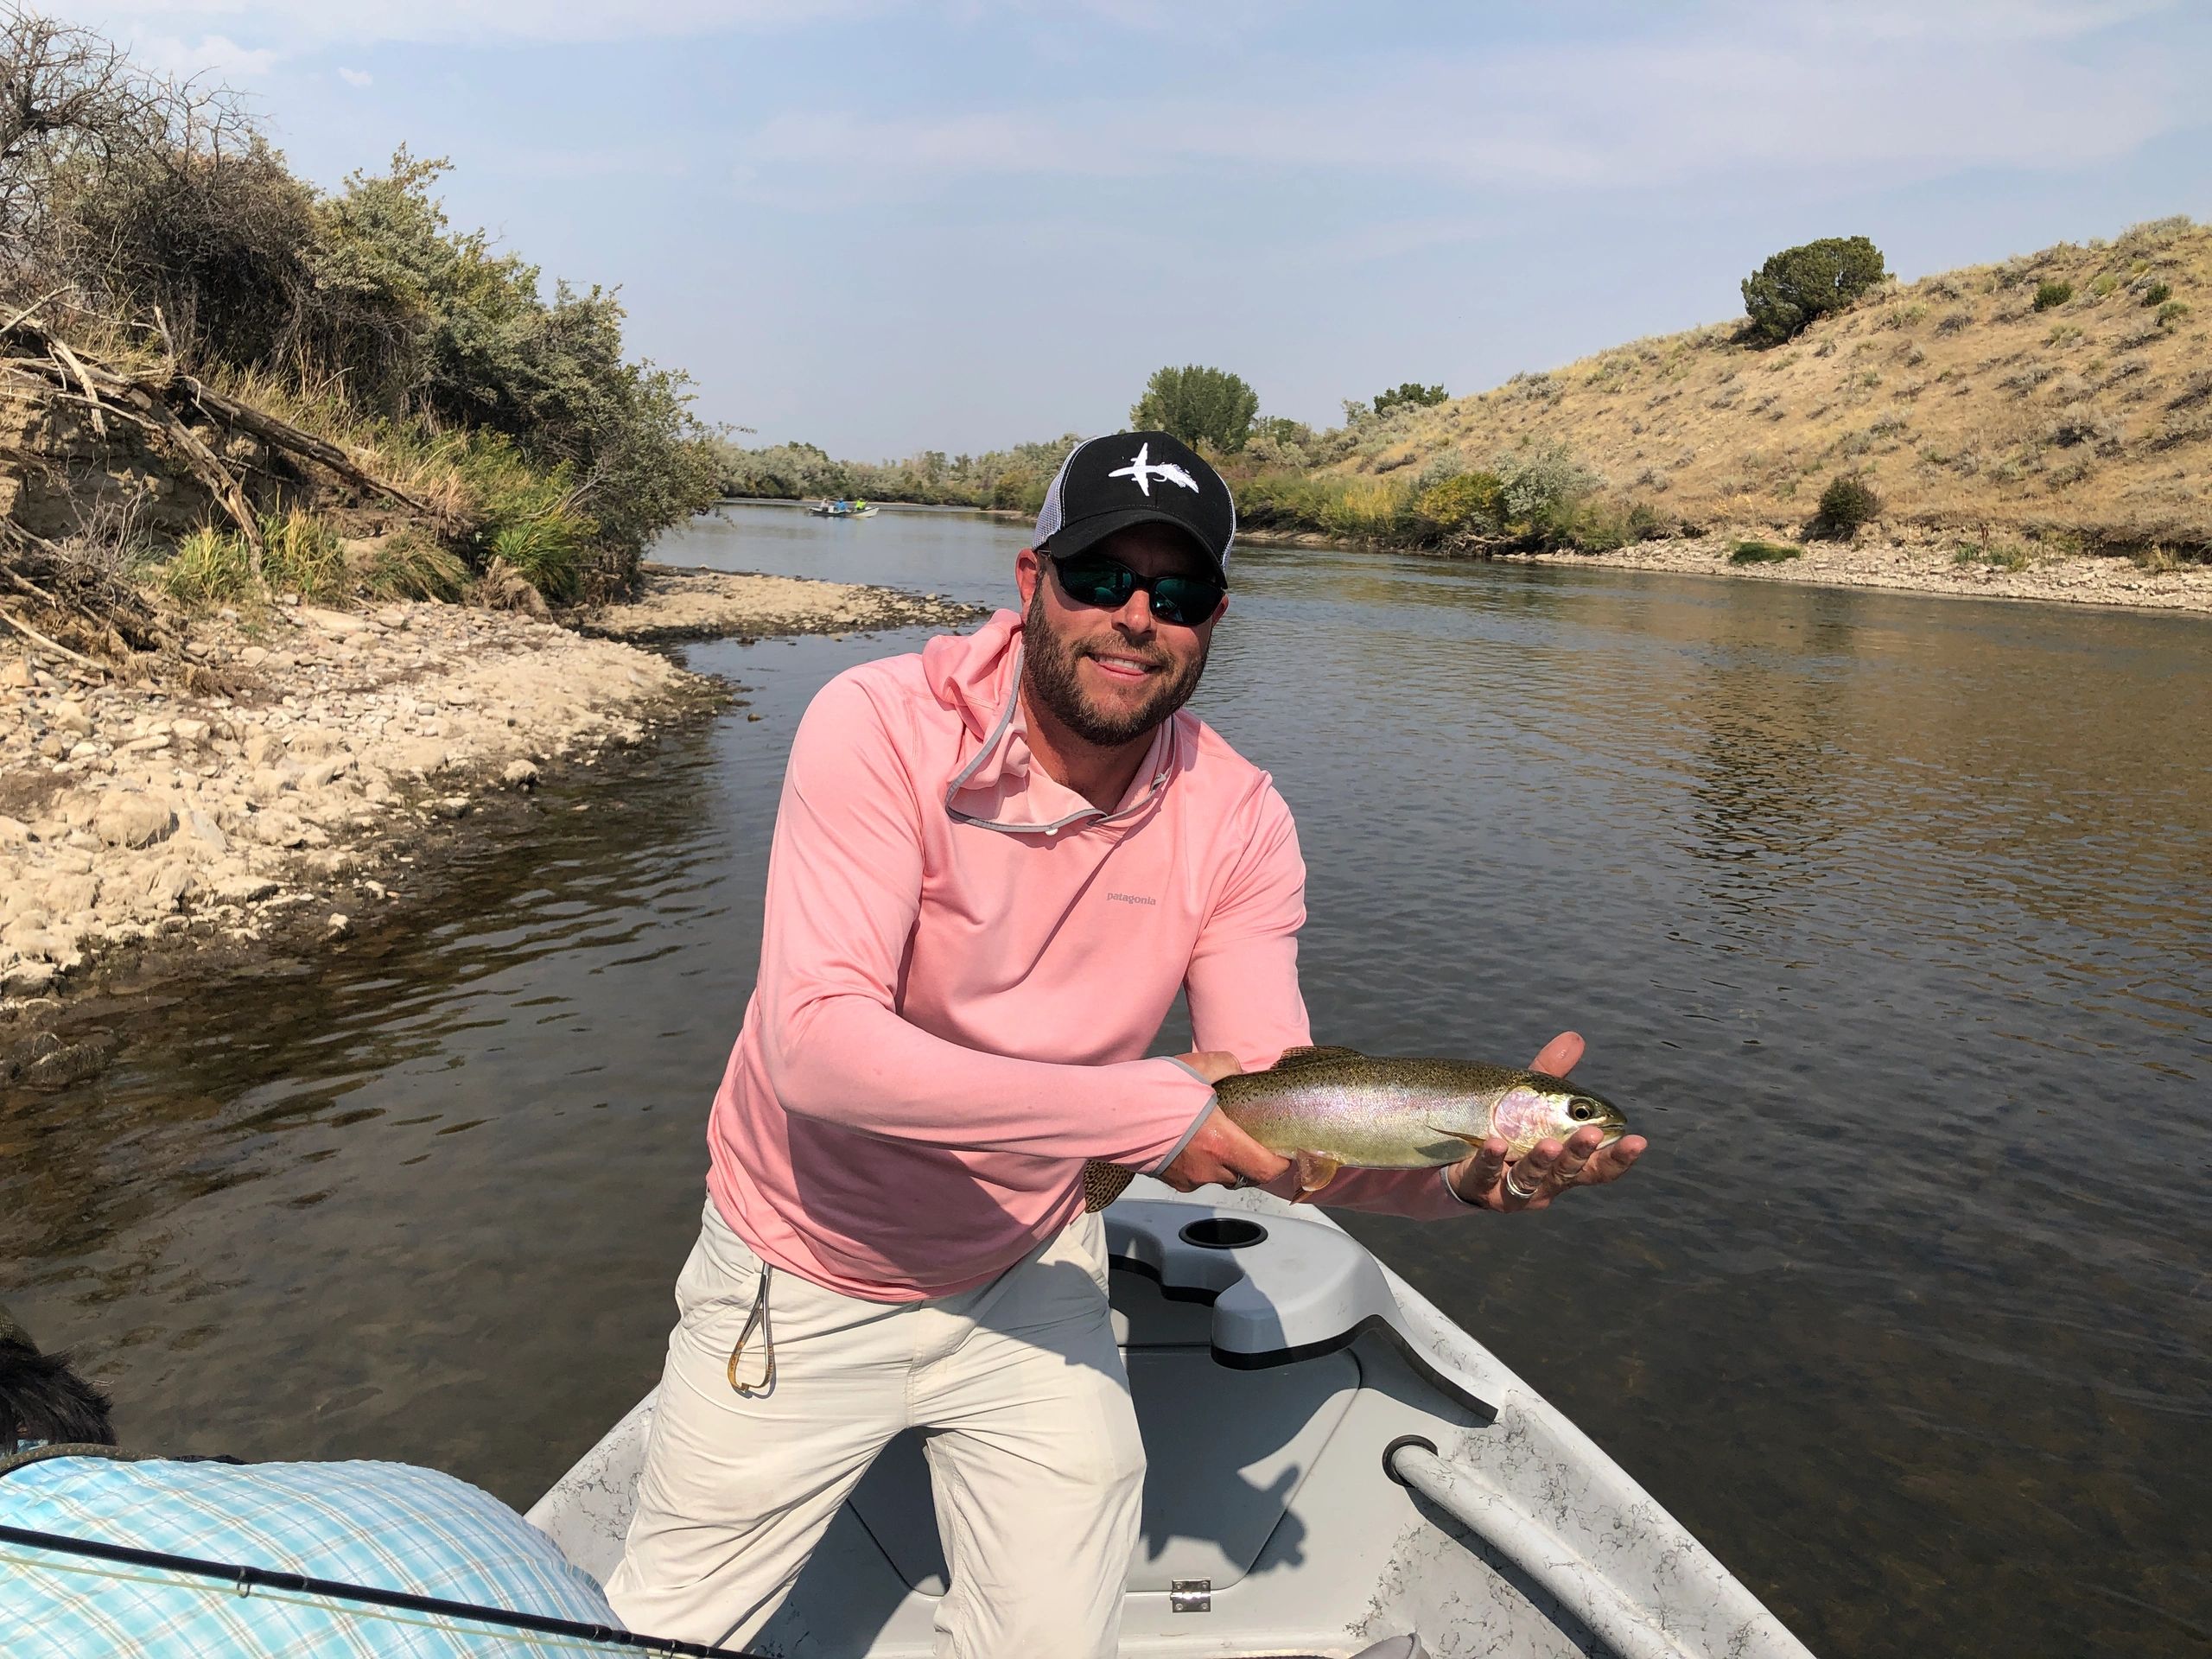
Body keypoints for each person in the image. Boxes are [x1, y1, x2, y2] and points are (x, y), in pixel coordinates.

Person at [606, 430, 1646, 1656]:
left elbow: (1276, 1116)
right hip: (801, 1266)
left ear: (1214, 620)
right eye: (1101, 577)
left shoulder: (1240, 816)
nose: (1137, 616)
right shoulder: (878, 724)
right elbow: (816, 1052)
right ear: (1031, 578)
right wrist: (1150, 1113)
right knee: (659, 1634)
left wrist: (1462, 1177)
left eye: (1179, 591)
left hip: (1032, 1266)